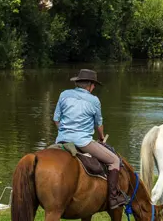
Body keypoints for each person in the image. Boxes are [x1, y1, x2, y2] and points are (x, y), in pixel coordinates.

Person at [53, 69, 126, 210]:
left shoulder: (64, 94)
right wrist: (101, 138)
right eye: (94, 86)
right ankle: (113, 198)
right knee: (114, 160)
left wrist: (64, 131)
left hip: (61, 139)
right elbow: (98, 124)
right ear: (91, 85)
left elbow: (56, 119)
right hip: (83, 142)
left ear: (78, 82)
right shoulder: (94, 100)